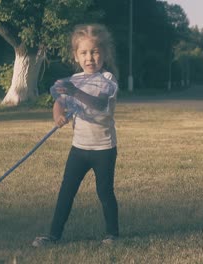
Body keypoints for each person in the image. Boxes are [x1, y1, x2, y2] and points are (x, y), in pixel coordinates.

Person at [32, 23, 120, 247]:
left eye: (95, 51)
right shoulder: (74, 79)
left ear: (104, 54)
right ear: (76, 56)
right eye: (84, 52)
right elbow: (59, 101)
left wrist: (75, 92)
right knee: (66, 191)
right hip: (79, 148)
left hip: (103, 148)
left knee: (104, 191)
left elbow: (99, 104)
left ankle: (112, 234)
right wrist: (58, 115)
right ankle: (53, 235)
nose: (89, 57)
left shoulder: (107, 79)